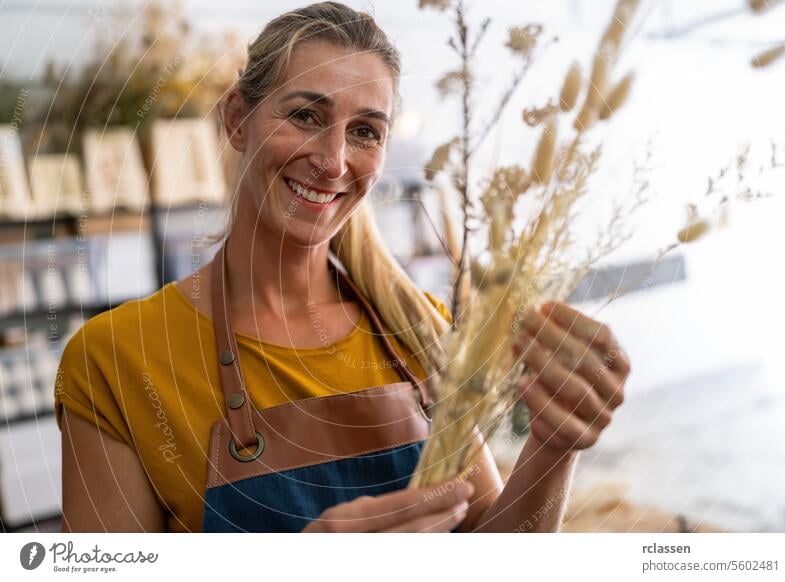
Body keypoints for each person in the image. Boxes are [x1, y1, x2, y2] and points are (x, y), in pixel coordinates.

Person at [56, 1, 630, 533]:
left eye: (365, 132)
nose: (333, 162)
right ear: (237, 119)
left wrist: (553, 448)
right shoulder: (116, 360)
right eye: (306, 115)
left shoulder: (417, 326)